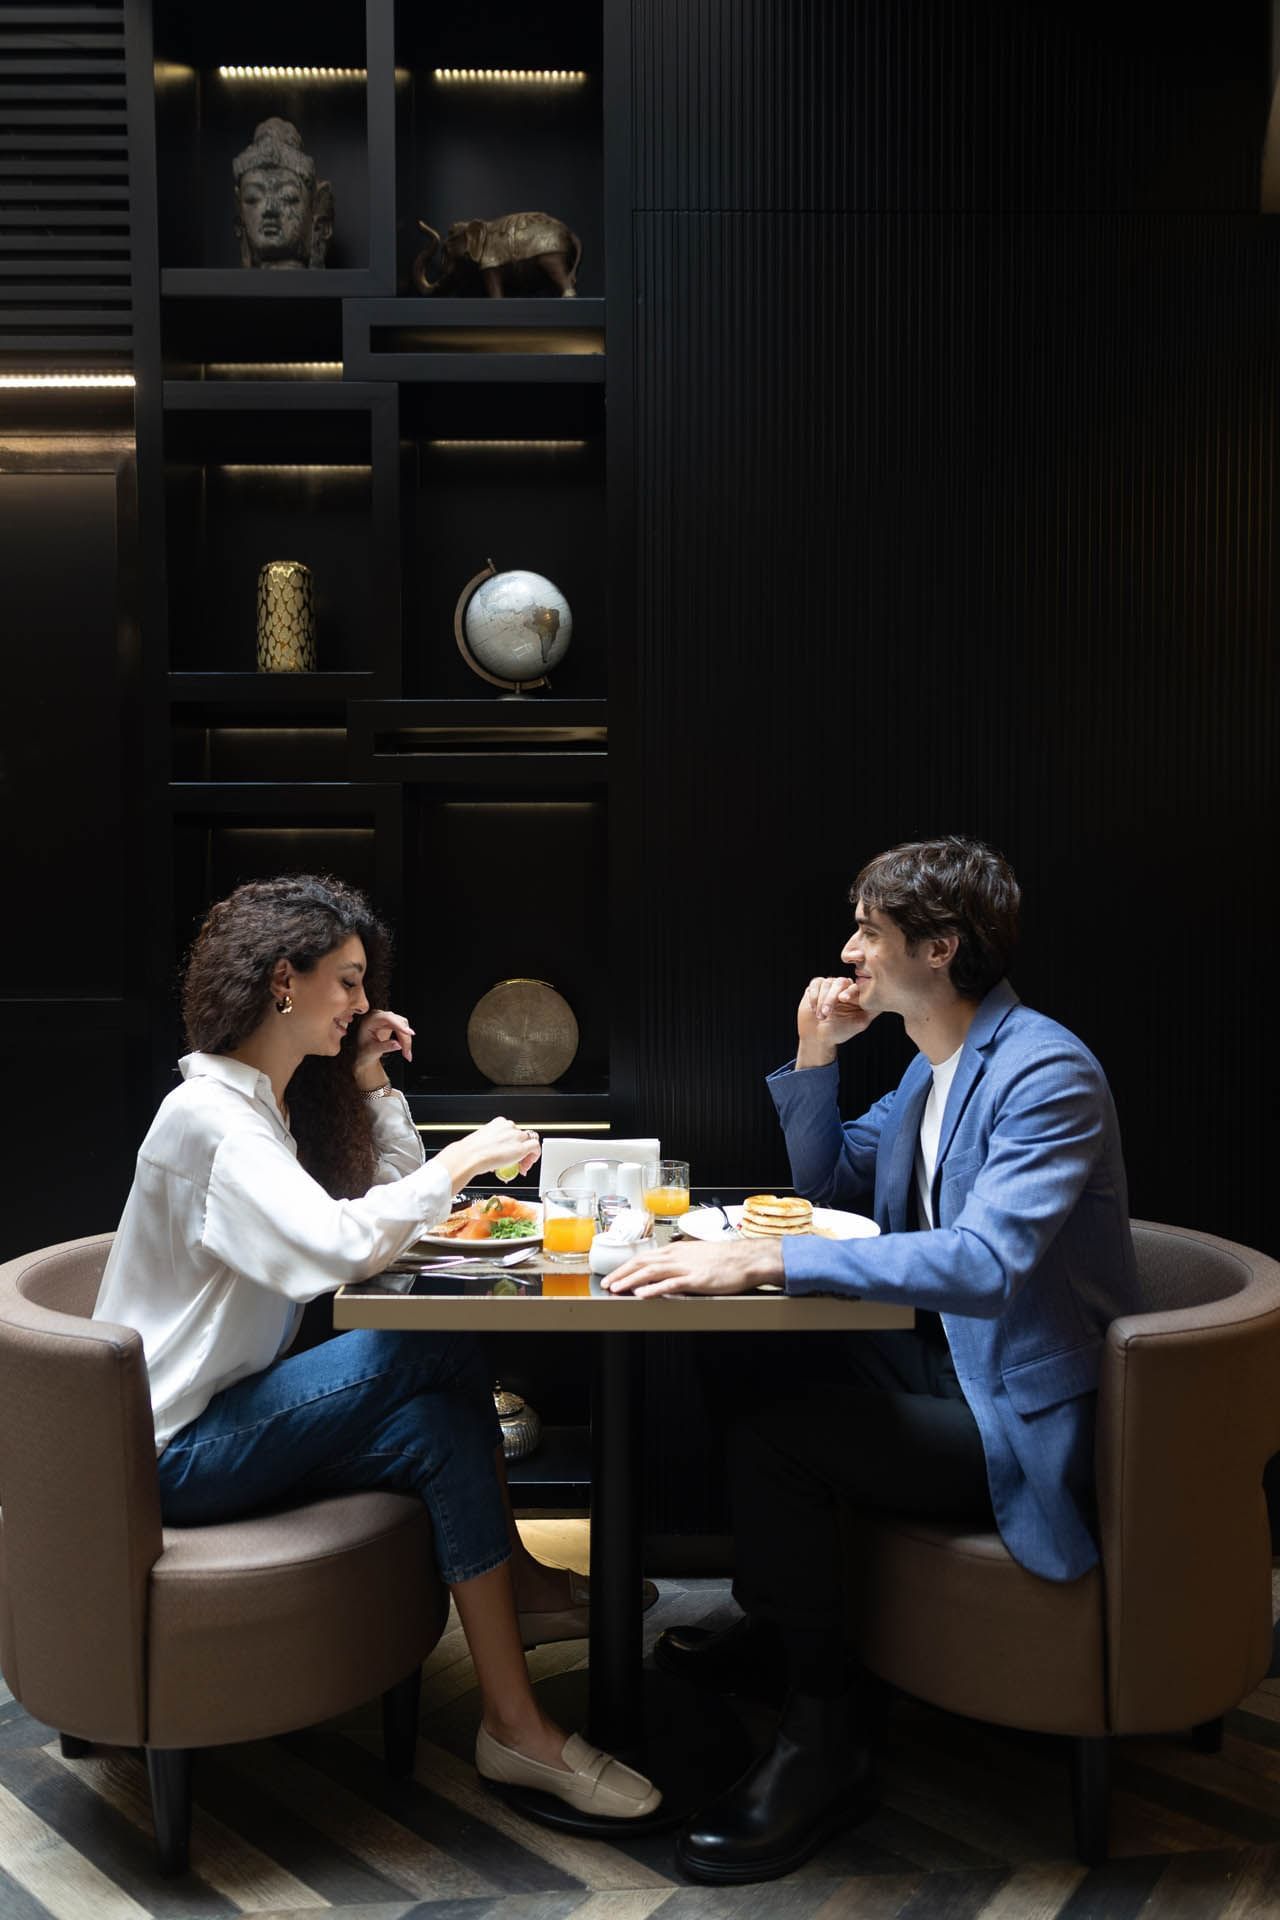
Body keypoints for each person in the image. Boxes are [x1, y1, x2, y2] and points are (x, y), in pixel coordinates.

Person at [605, 835, 1140, 1881]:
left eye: (869, 932)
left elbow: (986, 1262)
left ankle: (824, 1739)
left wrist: (766, 1255)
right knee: (738, 1359)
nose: (847, 951)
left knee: (780, 1440)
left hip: (1016, 1413)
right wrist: (815, 1058)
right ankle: (782, 1615)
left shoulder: (1043, 1070)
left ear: (939, 948)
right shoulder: (932, 1066)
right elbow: (835, 1186)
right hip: (944, 1364)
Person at [94, 873, 658, 1821]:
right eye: (348, 983)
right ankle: (516, 1583)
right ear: (284, 981)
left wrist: (371, 1083)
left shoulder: (258, 1108)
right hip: (174, 1451)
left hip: (227, 1420)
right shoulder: (212, 1123)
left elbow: (369, 1218)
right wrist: (464, 1158)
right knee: (426, 1341)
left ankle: (512, 1727)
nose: (365, 1005)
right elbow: (339, 1249)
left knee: (441, 1421)